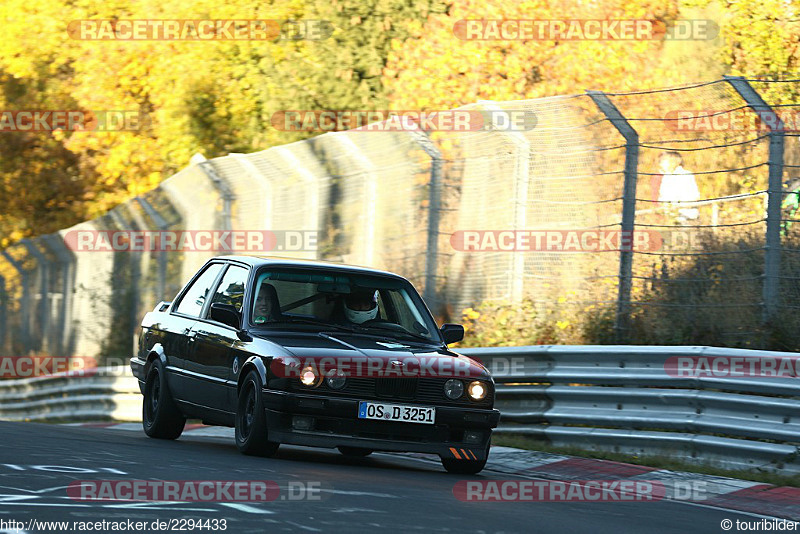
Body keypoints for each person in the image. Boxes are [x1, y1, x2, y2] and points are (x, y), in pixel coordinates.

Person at [657, 151, 700, 224]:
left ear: (672, 162)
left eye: (663, 161)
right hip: (670, 217)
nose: (661, 164)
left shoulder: (685, 175)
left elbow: (693, 196)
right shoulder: (666, 177)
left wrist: (676, 206)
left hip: (686, 216)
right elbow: (662, 196)